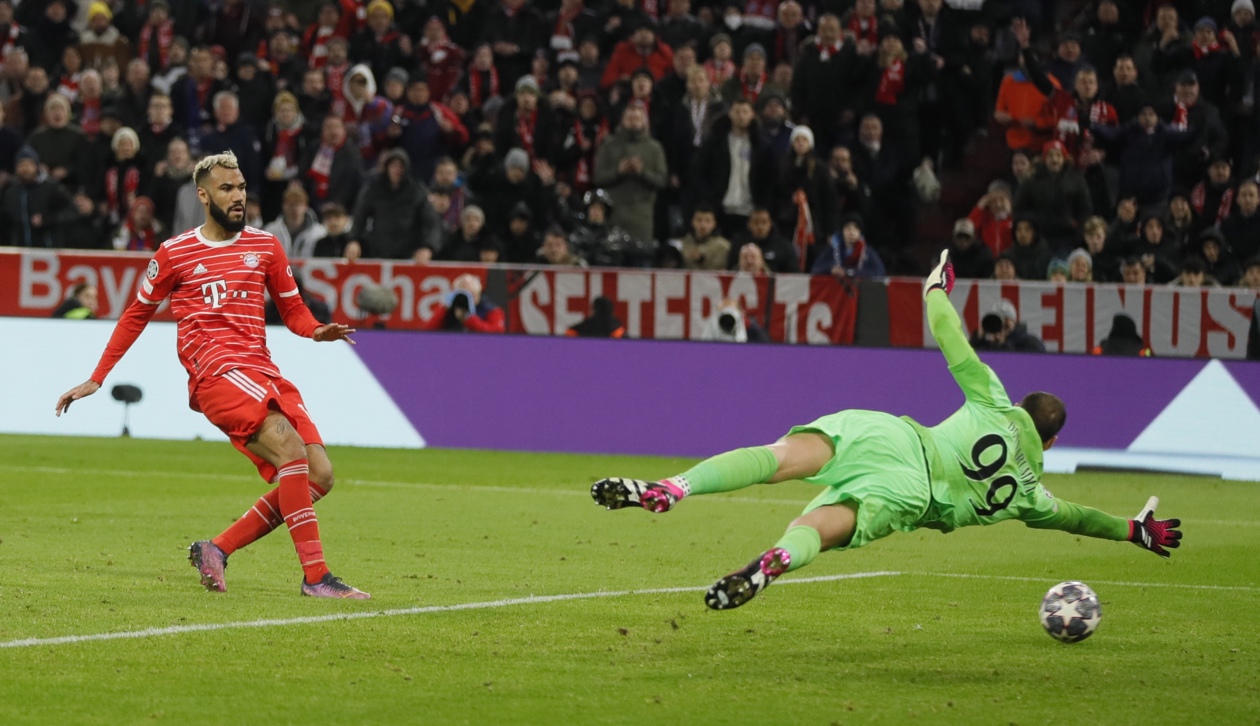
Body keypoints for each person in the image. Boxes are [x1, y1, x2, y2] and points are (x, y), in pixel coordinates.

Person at [589, 252, 1183, 610]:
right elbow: (1081, 518)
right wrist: (1133, 530)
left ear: (1023, 408)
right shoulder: (1033, 495)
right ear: (1050, 443)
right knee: (813, 530)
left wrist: (934, 288)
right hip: (912, 496)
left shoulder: (996, 401)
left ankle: (674, 488)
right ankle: (771, 563)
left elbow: (951, 337)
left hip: (896, 438)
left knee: (779, 456)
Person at [54, 151, 369, 600]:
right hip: (217, 374)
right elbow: (134, 316)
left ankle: (215, 549)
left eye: (241, 188)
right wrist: (98, 376)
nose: (238, 197)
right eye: (227, 189)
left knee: (319, 475)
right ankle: (316, 578)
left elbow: (294, 311)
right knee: (291, 452)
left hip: (262, 370)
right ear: (203, 195)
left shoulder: (266, 247)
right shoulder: (175, 254)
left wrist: (318, 330)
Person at [969, 299, 1046, 353]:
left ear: (1014, 321)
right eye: (998, 321)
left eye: (1006, 321)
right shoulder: (986, 343)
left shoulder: (1031, 344)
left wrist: (1002, 345)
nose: (1002, 326)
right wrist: (978, 339)